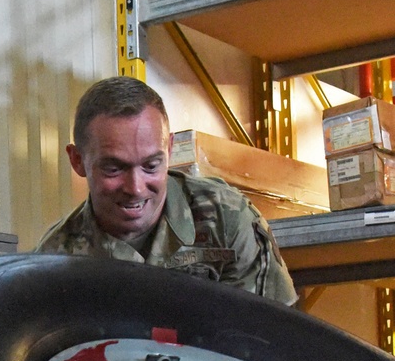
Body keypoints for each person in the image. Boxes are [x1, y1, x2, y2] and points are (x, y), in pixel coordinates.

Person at [36, 76, 297, 305]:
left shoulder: (225, 220)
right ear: (77, 160)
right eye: (114, 169)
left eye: (151, 165)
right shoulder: (56, 258)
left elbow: (272, 340)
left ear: (170, 150)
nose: (136, 188)